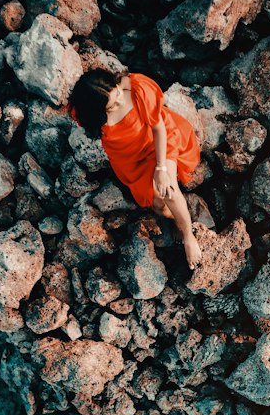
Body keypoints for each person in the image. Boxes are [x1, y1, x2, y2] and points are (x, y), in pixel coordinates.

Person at [68, 69, 203, 269]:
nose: (120, 103)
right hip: (129, 159)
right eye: (111, 107)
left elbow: (159, 129)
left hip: (157, 143)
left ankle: (188, 235)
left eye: (118, 95)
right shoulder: (86, 112)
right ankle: (175, 217)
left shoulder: (138, 90)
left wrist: (161, 167)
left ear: (116, 84)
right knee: (158, 206)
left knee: (169, 190)